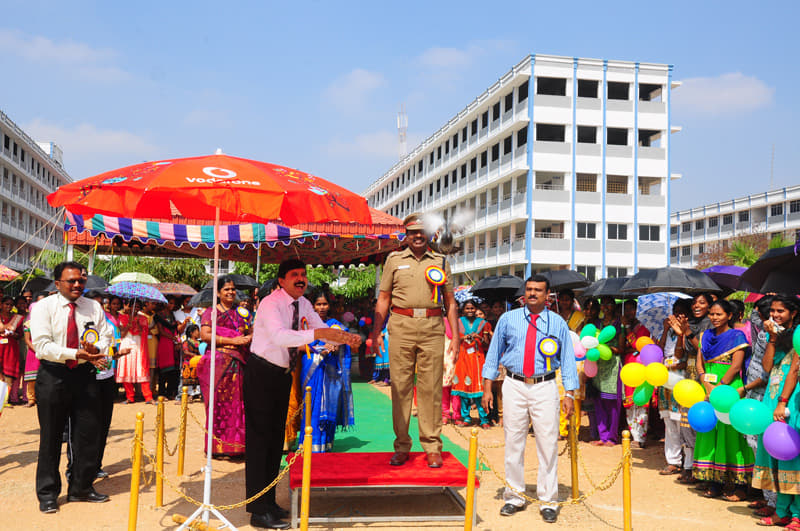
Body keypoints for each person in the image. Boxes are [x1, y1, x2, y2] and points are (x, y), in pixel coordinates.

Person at [246, 259, 361, 529]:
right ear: (281, 281)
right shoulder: (270, 303)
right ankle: (257, 511)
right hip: (262, 372)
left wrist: (345, 338)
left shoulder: (304, 303)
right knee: (260, 441)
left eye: (303, 275)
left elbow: (321, 328)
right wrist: (319, 333)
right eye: (294, 275)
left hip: (282, 374)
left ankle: (269, 503)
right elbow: (280, 337)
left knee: (275, 441)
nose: (301, 279)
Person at [481, 275, 577, 523]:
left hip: (545, 386)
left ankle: (548, 501)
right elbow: (493, 354)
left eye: (538, 290)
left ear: (548, 295)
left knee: (548, 444)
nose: (533, 293)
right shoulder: (508, 319)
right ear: (524, 293)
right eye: (529, 289)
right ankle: (513, 497)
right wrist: (488, 386)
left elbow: (567, 359)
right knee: (513, 442)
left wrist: (569, 393)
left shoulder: (557, 323)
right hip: (514, 384)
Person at [369, 213, 460, 469]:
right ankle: (401, 445)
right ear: (406, 235)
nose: (418, 236)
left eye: (422, 232)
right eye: (412, 233)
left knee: (431, 388)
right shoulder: (394, 259)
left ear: (430, 235)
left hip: (433, 326)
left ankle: (432, 446)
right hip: (401, 325)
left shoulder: (441, 261)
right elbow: (384, 298)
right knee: (400, 387)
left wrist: (456, 337)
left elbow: (451, 302)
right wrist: (376, 333)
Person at [29, 261, 113, 513]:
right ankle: (47, 494)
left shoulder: (93, 306)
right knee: (51, 436)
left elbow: (106, 335)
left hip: (85, 376)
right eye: (72, 281)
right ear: (57, 284)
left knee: (86, 434)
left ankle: (81, 488)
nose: (78, 285)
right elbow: (42, 345)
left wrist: (95, 349)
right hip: (54, 376)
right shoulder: (43, 307)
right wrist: (75, 353)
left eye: (81, 280)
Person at [693, 299, 753, 500]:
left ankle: (739, 485)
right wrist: (705, 383)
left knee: (731, 434)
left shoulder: (737, 336)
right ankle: (714, 481)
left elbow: (736, 366)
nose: (714, 318)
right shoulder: (705, 335)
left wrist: (718, 389)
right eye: (711, 314)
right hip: (707, 387)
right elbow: (699, 363)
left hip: (728, 390)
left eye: (719, 314)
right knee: (710, 432)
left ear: (729, 315)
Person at [752, 294, 800, 527]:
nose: (774, 315)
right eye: (772, 311)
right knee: (778, 455)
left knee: (793, 456)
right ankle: (781, 510)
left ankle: (797, 514)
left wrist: (784, 401)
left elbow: (794, 371)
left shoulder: (798, 335)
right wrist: (772, 337)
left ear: (793, 313)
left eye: (780, 311)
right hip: (772, 398)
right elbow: (768, 367)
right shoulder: (777, 337)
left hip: (790, 400)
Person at [196, 275, 251, 459]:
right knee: (219, 406)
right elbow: (205, 335)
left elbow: (251, 331)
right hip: (218, 366)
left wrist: (247, 338)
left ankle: (237, 446)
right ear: (218, 293)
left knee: (239, 404)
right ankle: (217, 447)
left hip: (239, 364)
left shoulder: (242, 312)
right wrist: (232, 340)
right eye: (226, 289)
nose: (230, 292)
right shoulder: (211, 312)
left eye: (233, 289)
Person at [297, 290, 355, 452]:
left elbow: (346, 345)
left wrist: (338, 346)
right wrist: (318, 348)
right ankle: (309, 444)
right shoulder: (304, 323)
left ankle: (326, 443)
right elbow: (296, 345)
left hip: (330, 371)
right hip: (312, 367)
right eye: (318, 304)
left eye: (324, 304)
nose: (322, 307)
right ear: (312, 305)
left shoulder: (335, 324)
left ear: (329, 306)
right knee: (312, 404)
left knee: (328, 403)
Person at [676, 292, 714, 484]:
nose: (696, 306)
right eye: (694, 303)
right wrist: (680, 333)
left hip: (704, 375)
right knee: (686, 423)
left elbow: (704, 349)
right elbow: (680, 352)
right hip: (688, 375)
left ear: (710, 305)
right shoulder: (689, 322)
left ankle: (702, 469)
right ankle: (689, 466)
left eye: (702, 302)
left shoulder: (710, 324)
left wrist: (688, 333)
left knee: (701, 422)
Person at [745, 296, 776, 517]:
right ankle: (767, 496)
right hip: (754, 393)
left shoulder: (773, 337)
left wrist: (745, 388)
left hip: (763, 394)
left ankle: (774, 501)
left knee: (764, 447)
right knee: (756, 445)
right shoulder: (764, 332)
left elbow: (766, 373)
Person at [656, 298, 690, 475]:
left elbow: (682, 355)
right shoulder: (669, 332)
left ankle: (687, 461)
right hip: (665, 378)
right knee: (668, 420)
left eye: (681, 311)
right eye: (675, 311)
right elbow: (659, 350)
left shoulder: (688, 332)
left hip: (681, 378)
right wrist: (666, 329)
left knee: (680, 420)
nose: (677, 315)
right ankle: (673, 460)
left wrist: (680, 333)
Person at [453, 300, 491, 428]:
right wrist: (463, 338)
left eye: (472, 308)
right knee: (463, 388)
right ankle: (466, 417)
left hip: (477, 358)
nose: (470, 311)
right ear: (463, 310)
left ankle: (484, 419)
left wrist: (478, 337)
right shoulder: (457, 322)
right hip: (463, 358)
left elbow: (486, 343)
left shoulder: (483, 324)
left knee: (480, 388)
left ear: (476, 309)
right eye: (467, 308)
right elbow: (454, 340)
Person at [620, 299, 651, 448]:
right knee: (629, 404)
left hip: (640, 367)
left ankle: (640, 437)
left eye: (632, 309)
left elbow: (636, 344)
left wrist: (626, 328)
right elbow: (624, 348)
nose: (629, 312)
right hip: (628, 367)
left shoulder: (643, 327)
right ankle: (633, 434)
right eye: (626, 309)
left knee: (640, 403)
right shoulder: (627, 327)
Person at [591, 296, 622, 447]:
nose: (605, 307)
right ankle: (602, 435)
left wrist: (608, 349)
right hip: (597, 363)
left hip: (613, 364)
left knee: (612, 402)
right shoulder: (596, 323)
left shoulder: (619, 324)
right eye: (603, 303)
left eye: (608, 304)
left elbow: (621, 348)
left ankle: (612, 436)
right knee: (599, 400)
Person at [116, 300, 153, 404]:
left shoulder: (143, 318)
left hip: (139, 345)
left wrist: (138, 324)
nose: (135, 308)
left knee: (141, 369)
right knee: (126, 369)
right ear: (129, 307)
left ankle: (148, 397)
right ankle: (130, 397)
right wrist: (128, 324)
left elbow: (144, 333)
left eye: (137, 306)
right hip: (126, 344)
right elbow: (121, 335)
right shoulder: (122, 317)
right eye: (133, 306)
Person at [0, 295, 24, 404]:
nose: (8, 306)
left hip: (11, 348)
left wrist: (14, 334)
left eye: (11, 305)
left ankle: (5, 400)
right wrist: (7, 327)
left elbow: (20, 334)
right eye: (6, 304)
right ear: (1, 305)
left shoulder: (16, 318)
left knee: (8, 374)